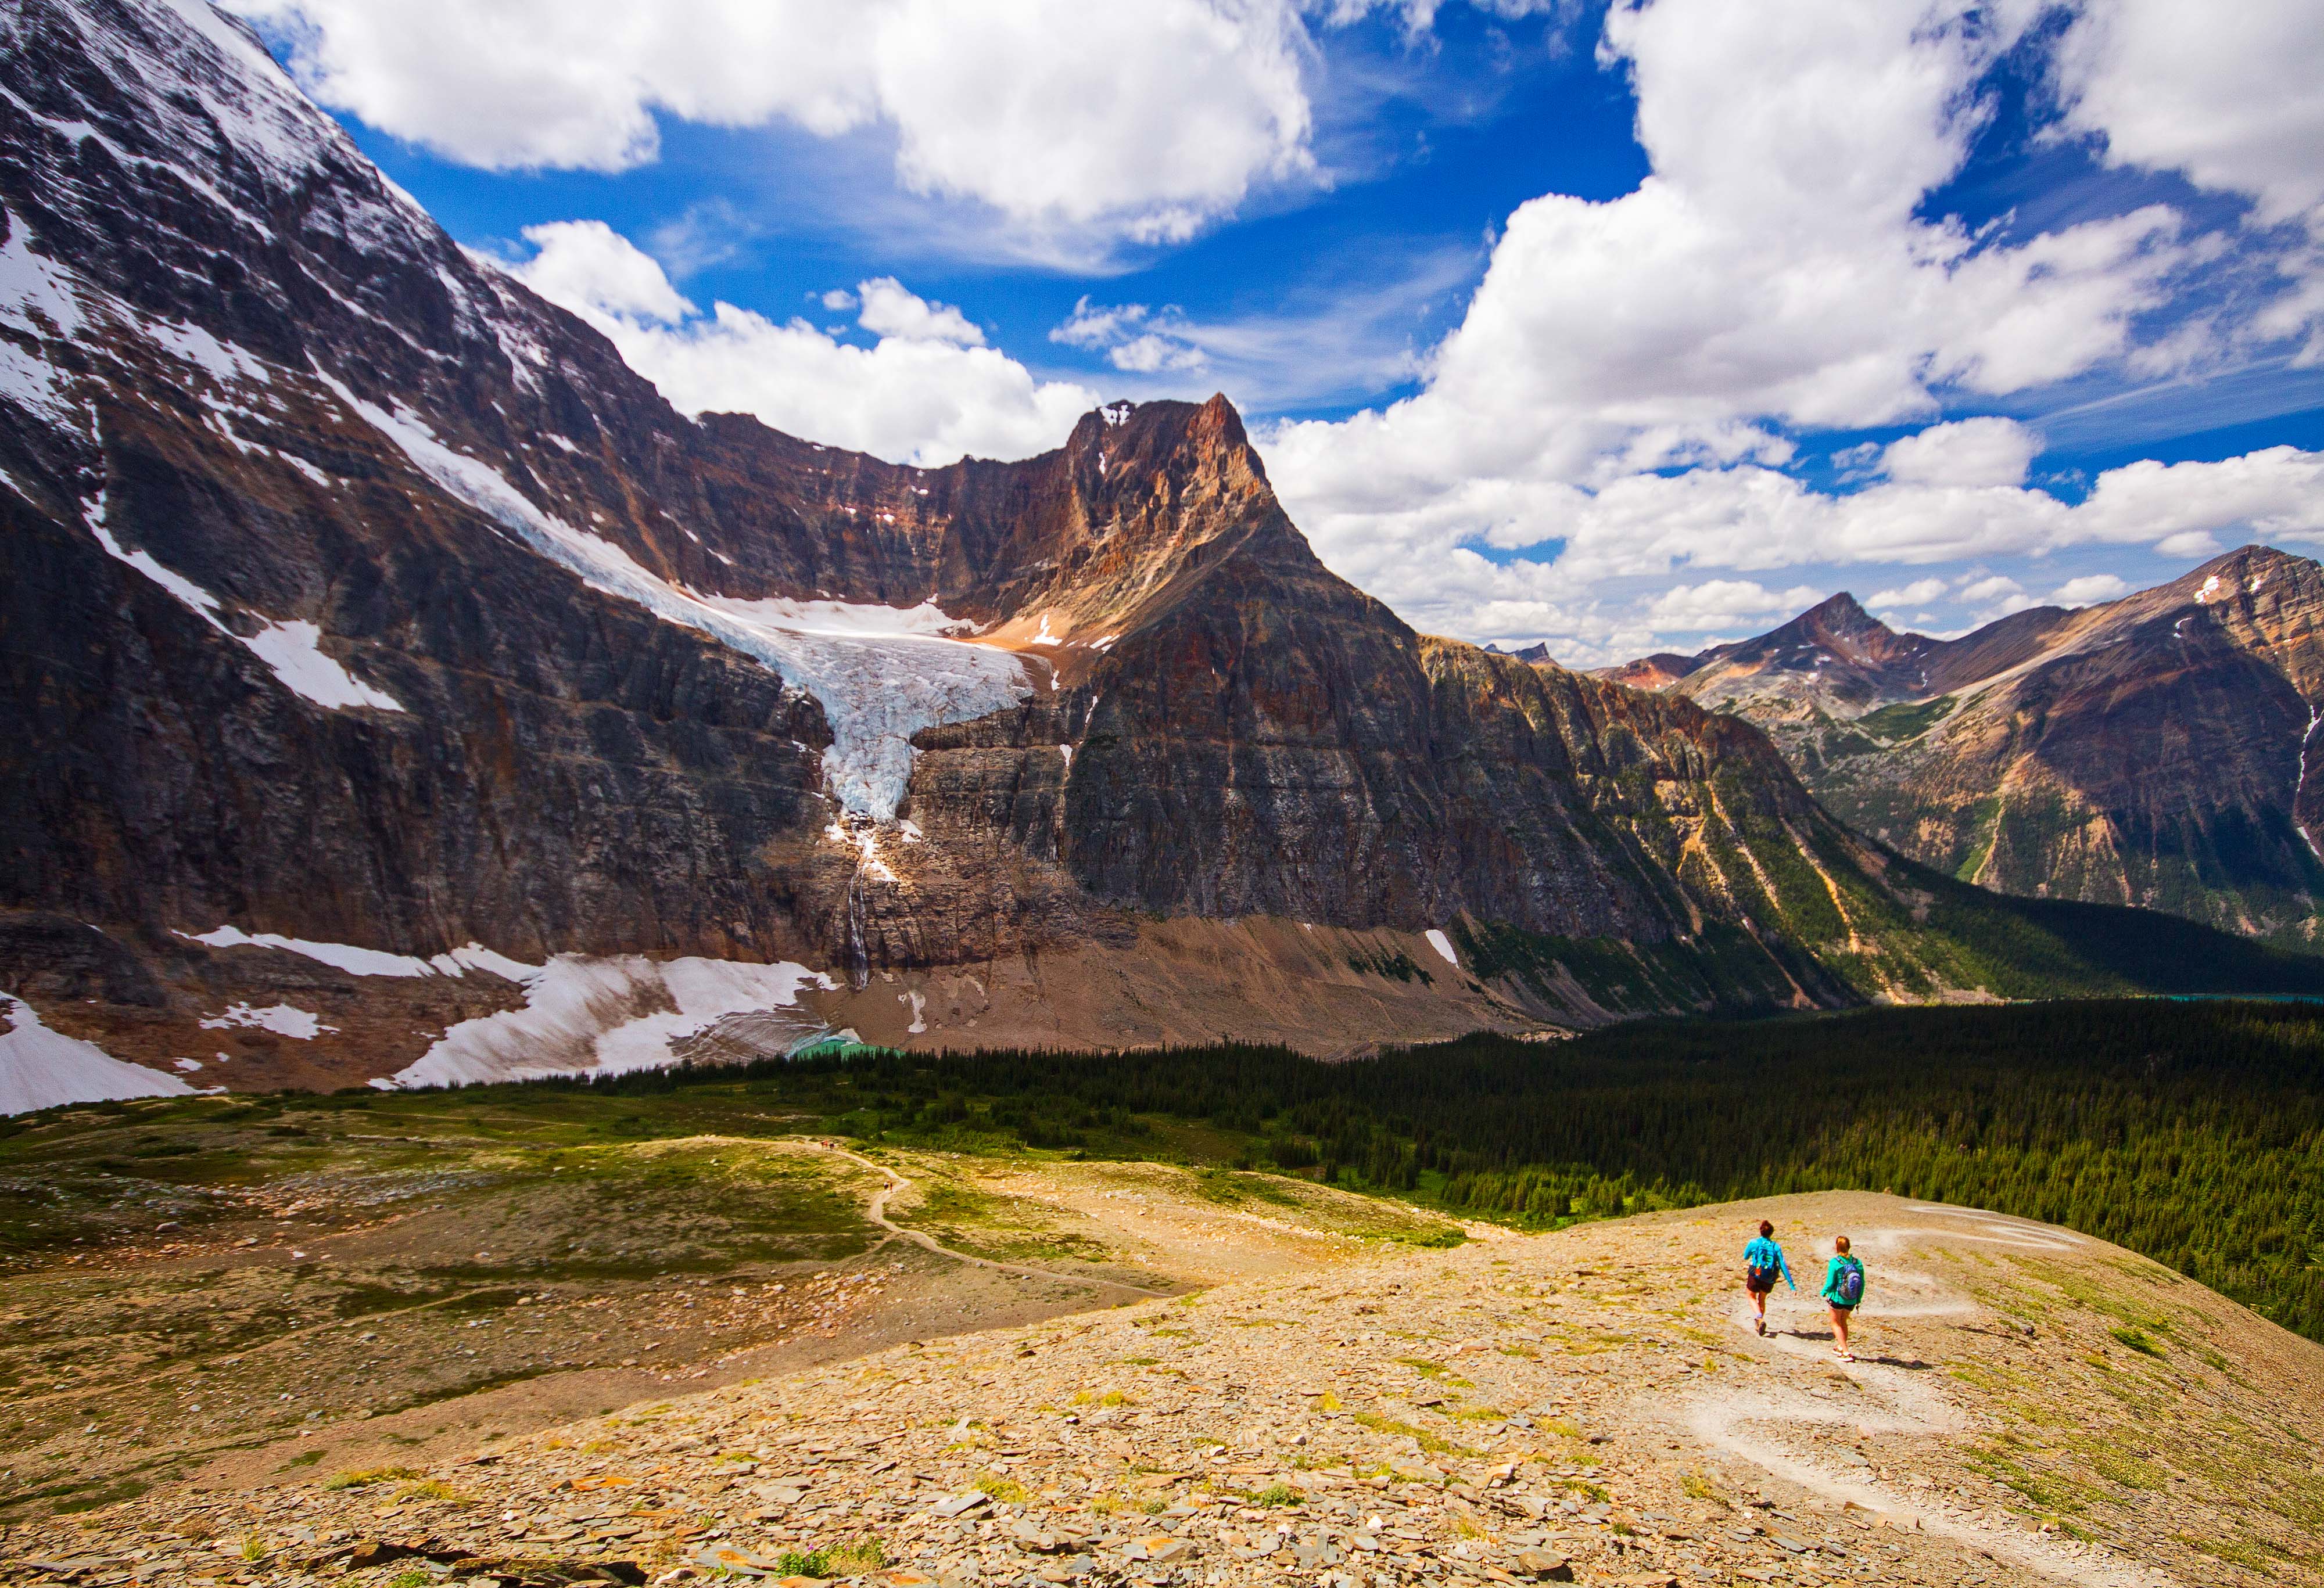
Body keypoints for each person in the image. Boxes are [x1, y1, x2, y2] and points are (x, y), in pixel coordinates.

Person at [1741, 1219, 1795, 1335]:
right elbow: (1782, 1265)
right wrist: (1791, 1284)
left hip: (1757, 1273)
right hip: (1770, 1277)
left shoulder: (1755, 1243)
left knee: (1751, 1296)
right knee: (1762, 1298)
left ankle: (1759, 1317)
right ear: (1771, 1233)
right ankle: (1759, 1322)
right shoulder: (1776, 1247)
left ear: (1761, 1231)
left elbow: (1745, 1256)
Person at [1821, 1234, 1867, 1361]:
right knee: (1843, 1322)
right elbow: (1862, 1282)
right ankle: (1841, 1347)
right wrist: (1858, 1298)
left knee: (1836, 1324)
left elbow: (1831, 1283)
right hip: (1852, 1299)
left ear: (1837, 1247)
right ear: (1849, 1246)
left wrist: (1824, 1292)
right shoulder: (1857, 1263)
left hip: (1837, 1298)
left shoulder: (1836, 1263)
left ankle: (1846, 1352)